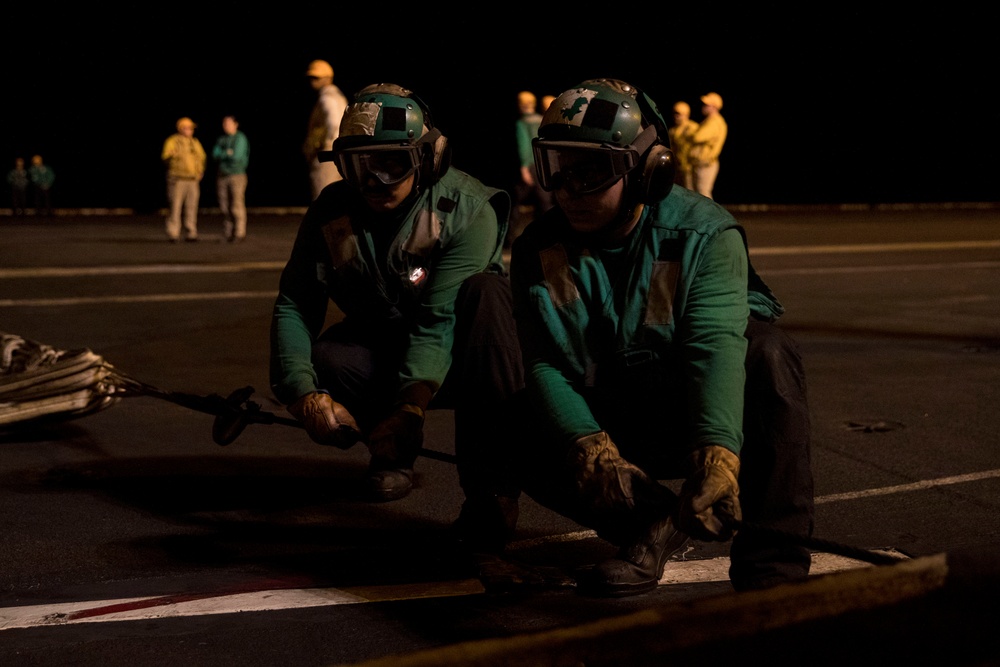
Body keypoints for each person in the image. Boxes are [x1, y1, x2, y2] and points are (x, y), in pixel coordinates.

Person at [504, 78, 814, 596]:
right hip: (615, 410)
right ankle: (650, 528)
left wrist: (718, 454)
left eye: (592, 170)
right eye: (557, 167)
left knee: (769, 354)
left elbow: (714, 345)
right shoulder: (541, 247)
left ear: (647, 171)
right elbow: (545, 361)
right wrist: (588, 447)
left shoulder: (703, 234)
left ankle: (772, 576)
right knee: (513, 420)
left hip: (690, 407)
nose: (569, 190)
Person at [269, 83, 523, 541]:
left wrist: (411, 406)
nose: (373, 181)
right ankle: (389, 452)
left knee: (487, 295)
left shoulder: (467, 211)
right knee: (331, 357)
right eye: (358, 165)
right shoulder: (332, 213)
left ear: (428, 158)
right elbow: (295, 302)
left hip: (466, 356)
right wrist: (300, 392)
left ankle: (493, 490)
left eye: (391, 163)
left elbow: (439, 320)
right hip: (389, 343)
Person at [509, 90, 554, 247]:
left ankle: (508, 239)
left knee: (514, 202)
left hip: (532, 166)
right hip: (544, 164)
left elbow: (524, 146)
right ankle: (547, 237)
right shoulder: (541, 121)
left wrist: (524, 168)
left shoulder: (522, 123)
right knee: (544, 202)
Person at [303, 59, 348, 201]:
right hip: (340, 151)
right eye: (311, 77)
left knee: (323, 198)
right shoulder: (338, 96)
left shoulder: (327, 98)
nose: (313, 81)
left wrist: (327, 146)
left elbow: (334, 124)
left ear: (328, 78)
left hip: (328, 152)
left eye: (316, 78)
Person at [161, 117, 206, 242]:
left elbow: (201, 157)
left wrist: (200, 171)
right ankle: (173, 233)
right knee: (175, 207)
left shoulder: (195, 142)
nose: (190, 130)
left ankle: (191, 232)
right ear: (181, 129)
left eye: (191, 128)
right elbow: (165, 157)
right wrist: (172, 155)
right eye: (188, 128)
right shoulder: (172, 141)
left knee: (191, 207)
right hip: (177, 180)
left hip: (192, 180)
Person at [212, 115, 250, 243]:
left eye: (228, 123)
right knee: (224, 206)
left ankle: (239, 232)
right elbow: (215, 154)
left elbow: (237, 157)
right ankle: (228, 232)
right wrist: (227, 153)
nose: (225, 126)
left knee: (236, 205)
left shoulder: (240, 138)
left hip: (236, 175)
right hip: (222, 175)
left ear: (235, 124)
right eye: (224, 124)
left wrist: (225, 154)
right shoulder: (222, 139)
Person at [689, 91, 728, 200]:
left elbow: (698, 137)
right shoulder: (709, 121)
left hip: (706, 164)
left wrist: (690, 129)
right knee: (699, 193)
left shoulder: (715, 122)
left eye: (707, 105)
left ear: (714, 107)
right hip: (701, 163)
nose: (704, 106)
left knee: (703, 193)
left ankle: (709, 216)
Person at [667, 101, 698, 189]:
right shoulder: (673, 130)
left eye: (679, 114)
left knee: (690, 190)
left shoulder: (692, 127)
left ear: (686, 114)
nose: (676, 116)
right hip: (678, 165)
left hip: (690, 166)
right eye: (675, 113)